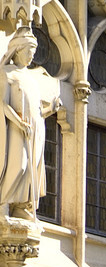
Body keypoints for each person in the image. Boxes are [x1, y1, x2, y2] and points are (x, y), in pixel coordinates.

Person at [0, 29, 63, 221]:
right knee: (18, 166)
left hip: (35, 130)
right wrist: (19, 123)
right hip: (17, 129)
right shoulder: (7, 73)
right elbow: (2, 105)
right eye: (29, 51)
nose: (31, 56)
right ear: (18, 50)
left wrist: (51, 109)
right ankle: (4, 204)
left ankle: (21, 207)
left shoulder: (31, 77)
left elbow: (36, 111)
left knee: (31, 170)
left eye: (33, 53)